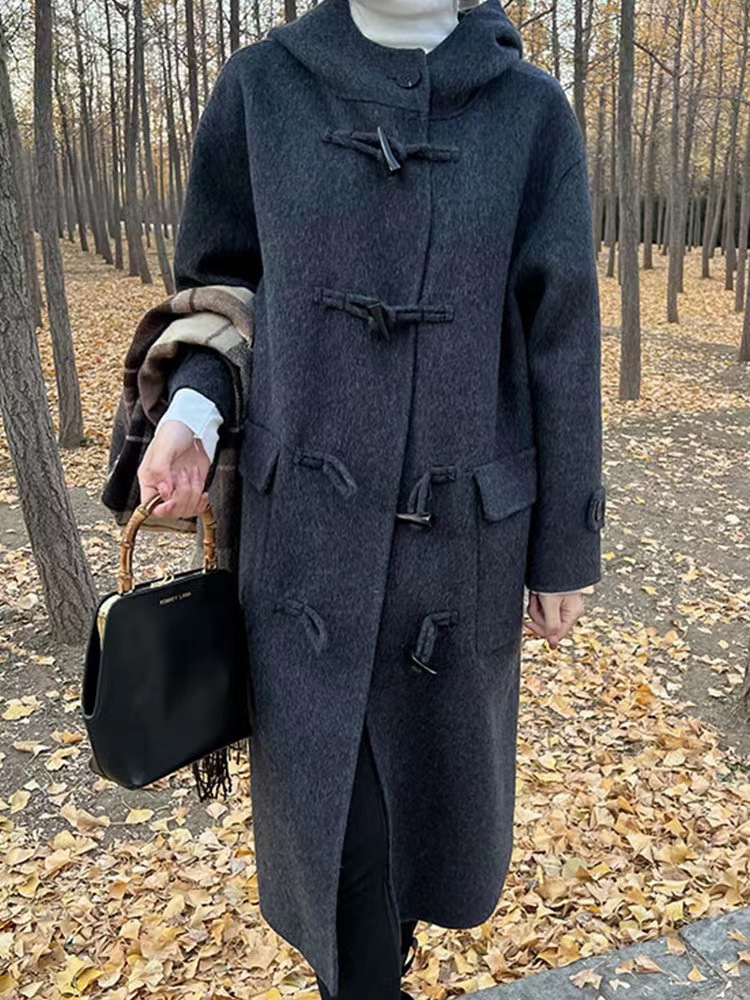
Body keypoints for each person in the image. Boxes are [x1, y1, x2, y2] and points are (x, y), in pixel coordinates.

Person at [135, 1, 606, 997]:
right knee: (340, 859)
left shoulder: (530, 115)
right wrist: (193, 406)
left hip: (458, 560)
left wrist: (563, 547)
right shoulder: (261, 89)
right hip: (301, 560)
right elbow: (220, 284)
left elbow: (561, 335)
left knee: (407, 850)